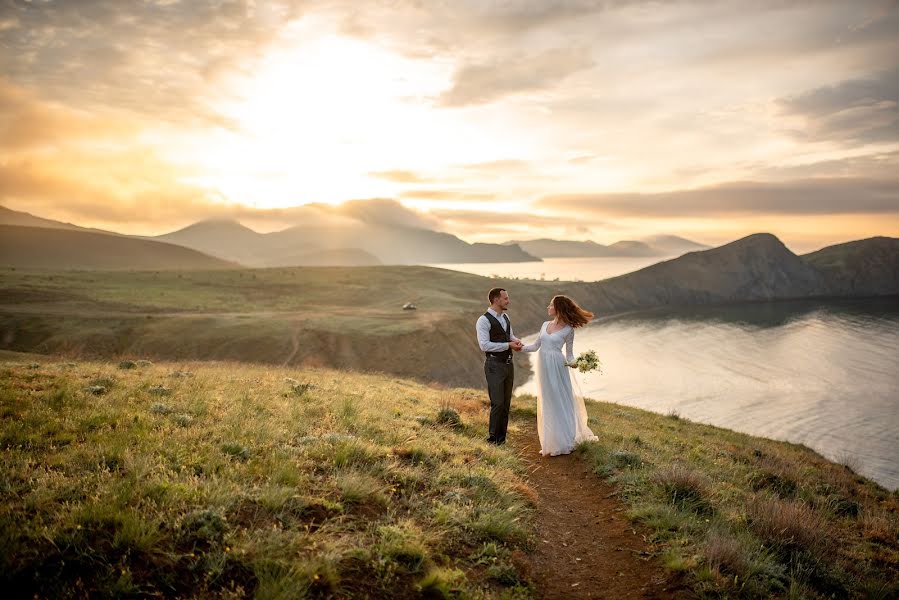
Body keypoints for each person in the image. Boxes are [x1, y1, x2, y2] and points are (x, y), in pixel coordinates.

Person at [521, 295, 598, 456]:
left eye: (551, 305)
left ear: (558, 308)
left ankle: (566, 440)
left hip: (558, 366)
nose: (548, 307)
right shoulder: (544, 325)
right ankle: (552, 441)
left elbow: (569, 355)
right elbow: (535, 346)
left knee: (561, 400)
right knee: (548, 401)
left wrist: (577, 363)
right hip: (543, 366)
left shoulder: (569, 329)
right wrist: (519, 347)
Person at [476, 287, 523, 445]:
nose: (508, 301)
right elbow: (484, 345)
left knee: (506, 403)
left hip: (508, 365)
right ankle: (492, 439)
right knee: (498, 403)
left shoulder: (505, 317)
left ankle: (501, 440)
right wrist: (508, 345)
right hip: (494, 365)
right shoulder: (483, 320)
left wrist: (516, 341)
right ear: (496, 300)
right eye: (505, 298)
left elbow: (509, 336)